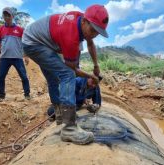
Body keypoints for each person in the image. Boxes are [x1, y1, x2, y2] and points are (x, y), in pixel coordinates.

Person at [22, 4, 109, 144]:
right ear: (85, 22)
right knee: (67, 74)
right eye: (93, 30)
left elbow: (90, 43)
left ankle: (60, 115)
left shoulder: (81, 20)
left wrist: (96, 65)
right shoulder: (71, 36)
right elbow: (73, 70)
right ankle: (69, 128)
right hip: (34, 43)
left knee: (53, 78)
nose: (94, 34)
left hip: (37, 40)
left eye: (97, 32)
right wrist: (91, 76)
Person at [0, 7, 31, 102]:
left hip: (17, 58)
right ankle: (1, 95)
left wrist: (26, 56)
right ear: (3, 16)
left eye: (8, 15)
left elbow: (24, 44)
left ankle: (27, 94)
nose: (7, 17)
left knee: (23, 76)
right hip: (4, 58)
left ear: (12, 16)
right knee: (0, 77)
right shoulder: (0, 30)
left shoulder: (20, 29)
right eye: (5, 15)